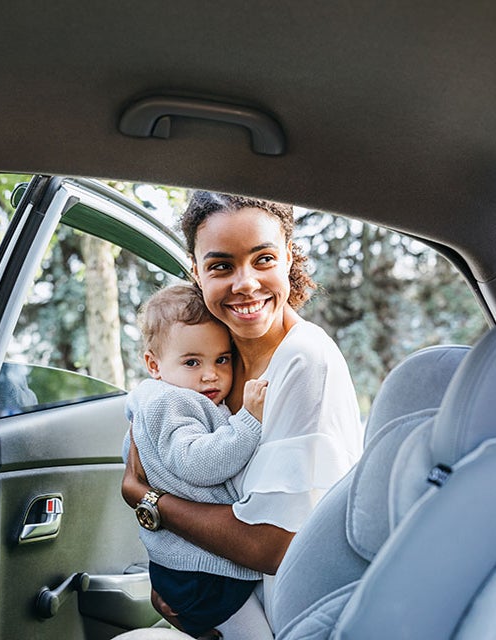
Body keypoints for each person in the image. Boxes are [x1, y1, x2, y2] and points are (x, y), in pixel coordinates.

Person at [122, 191, 364, 638]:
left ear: (288, 259)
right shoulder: (220, 353)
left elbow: (271, 545)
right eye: (221, 266)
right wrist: (179, 583)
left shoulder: (305, 362)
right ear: (196, 272)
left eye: (263, 259)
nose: (245, 284)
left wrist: (147, 499)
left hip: (289, 614)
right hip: (224, 600)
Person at [122, 284, 269, 638]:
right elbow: (198, 464)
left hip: (192, 566)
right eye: (192, 362)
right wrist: (248, 421)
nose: (210, 374)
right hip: (200, 572)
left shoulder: (168, 398)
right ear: (154, 365)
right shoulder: (171, 402)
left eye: (222, 359)